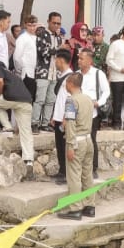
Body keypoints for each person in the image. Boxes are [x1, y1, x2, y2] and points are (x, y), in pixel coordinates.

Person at [57, 72, 97, 220]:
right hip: (88, 140)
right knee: (87, 175)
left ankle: (75, 209)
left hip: (77, 142)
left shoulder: (71, 101)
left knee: (74, 176)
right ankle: (89, 206)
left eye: (66, 83)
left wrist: (70, 146)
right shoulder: (88, 99)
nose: (65, 86)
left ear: (70, 84)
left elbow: (71, 125)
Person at [0, 60, 36, 177]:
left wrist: (0, 95)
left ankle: (7, 128)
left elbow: (0, 81)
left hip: (11, 98)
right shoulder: (14, 75)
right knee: (26, 132)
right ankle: (29, 161)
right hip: (27, 101)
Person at [77, 48, 109, 173]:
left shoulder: (98, 74)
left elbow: (106, 91)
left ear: (89, 61)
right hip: (78, 113)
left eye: (81, 58)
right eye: (78, 58)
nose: (79, 61)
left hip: (92, 113)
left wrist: (98, 103)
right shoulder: (76, 74)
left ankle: (93, 168)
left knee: (91, 139)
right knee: (79, 140)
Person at [33, 11, 62, 131]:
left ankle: (45, 123)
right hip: (43, 72)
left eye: (58, 23)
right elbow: (43, 52)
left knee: (50, 100)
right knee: (39, 99)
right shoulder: (42, 34)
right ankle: (34, 123)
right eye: (54, 23)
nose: (56, 25)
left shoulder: (59, 37)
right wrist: (58, 49)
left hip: (55, 73)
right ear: (48, 22)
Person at [49, 48, 73, 184]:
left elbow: (70, 99)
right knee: (59, 146)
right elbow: (60, 99)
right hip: (59, 117)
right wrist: (55, 116)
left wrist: (65, 118)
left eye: (56, 60)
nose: (55, 62)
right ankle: (62, 171)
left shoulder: (70, 77)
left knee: (65, 146)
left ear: (61, 60)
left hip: (64, 119)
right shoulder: (63, 76)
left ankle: (66, 174)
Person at [13, 13, 38, 96]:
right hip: (25, 73)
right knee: (26, 97)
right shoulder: (22, 38)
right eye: (29, 25)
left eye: (34, 25)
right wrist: (21, 69)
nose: (32, 28)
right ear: (25, 25)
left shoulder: (36, 38)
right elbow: (17, 57)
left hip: (35, 72)